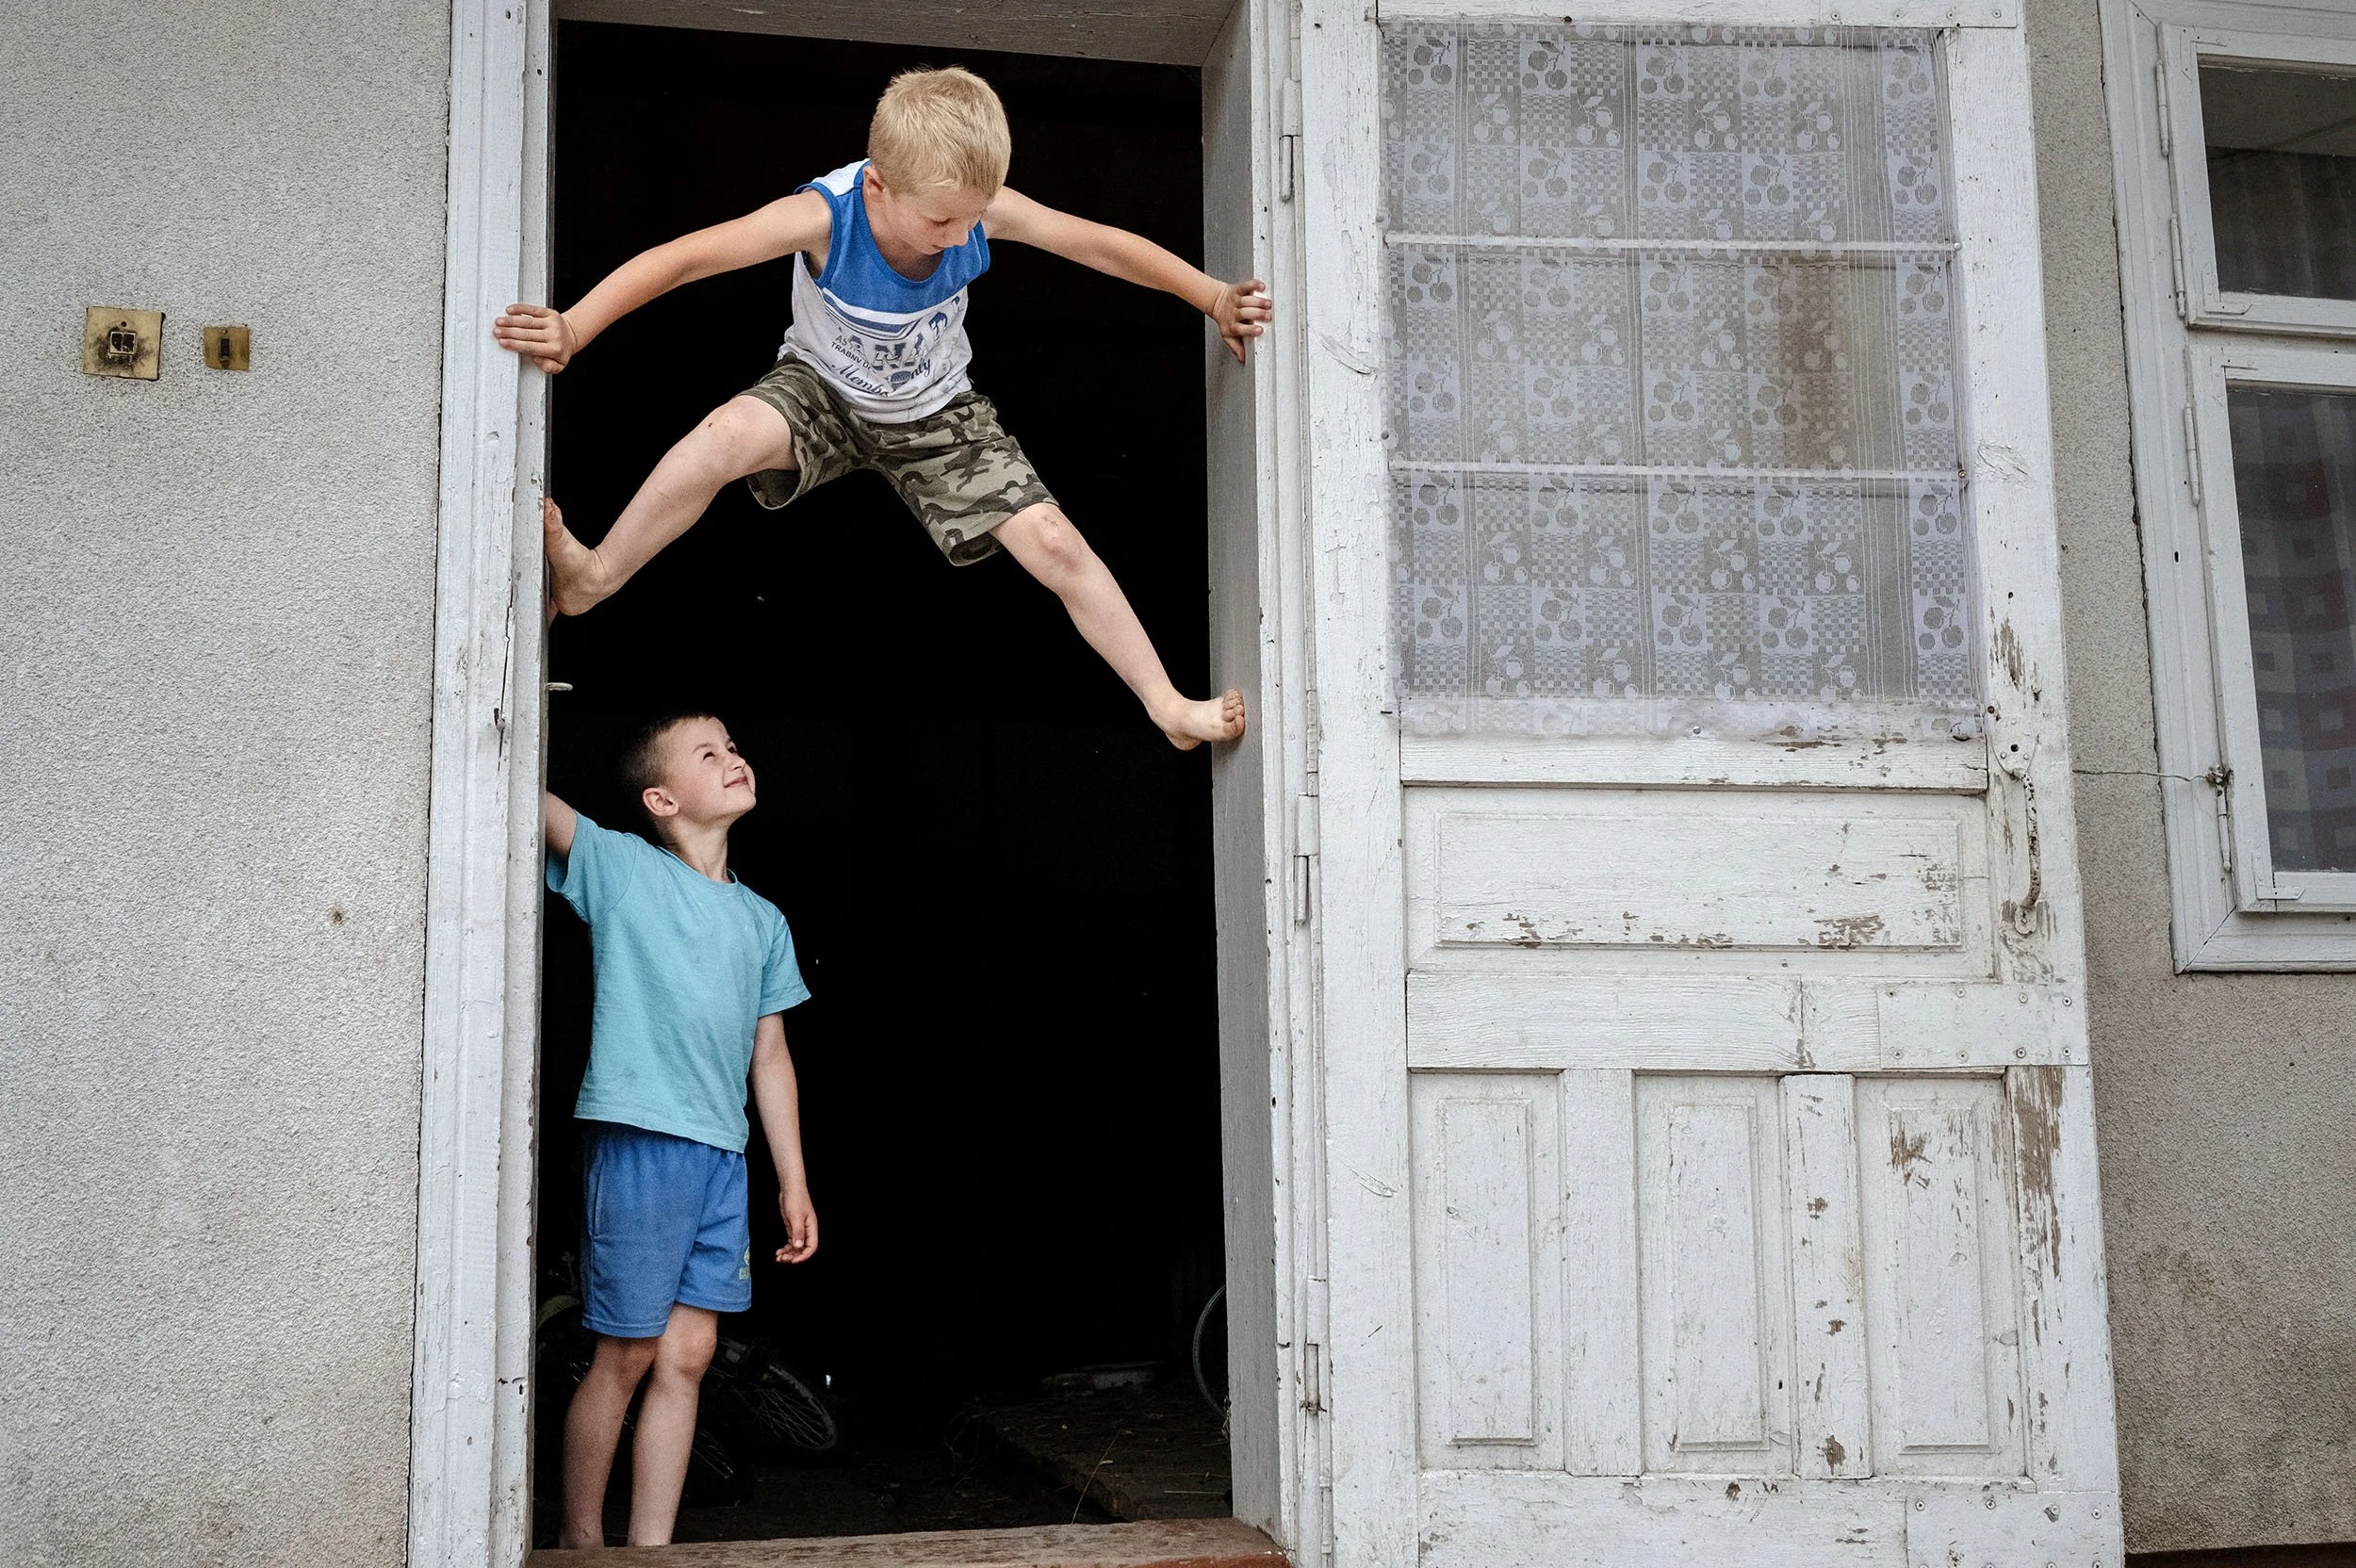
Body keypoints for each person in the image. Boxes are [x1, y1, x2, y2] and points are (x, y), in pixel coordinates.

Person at [494, 65, 1265, 750]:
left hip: (937, 412)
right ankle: (594, 577)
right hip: (821, 391)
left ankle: (1164, 704)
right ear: (877, 187)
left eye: (972, 217)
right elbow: (683, 259)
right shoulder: (824, 217)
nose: (959, 238)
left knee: (1056, 543)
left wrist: (1212, 296)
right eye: (940, 222)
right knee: (722, 437)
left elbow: (1097, 244)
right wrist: (574, 325)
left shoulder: (978, 212)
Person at [543, 709, 817, 1547]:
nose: (735, 757)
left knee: (689, 1356)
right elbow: (529, 799)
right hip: (640, 1143)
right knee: (624, 1353)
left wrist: (793, 1180)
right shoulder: (625, 869)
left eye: (736, 745)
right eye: (710, 753)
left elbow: (770, 1057)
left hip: (720, 1158)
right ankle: (583, 1545)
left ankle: (650, 1551)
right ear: (660, 799)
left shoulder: (764, 920)